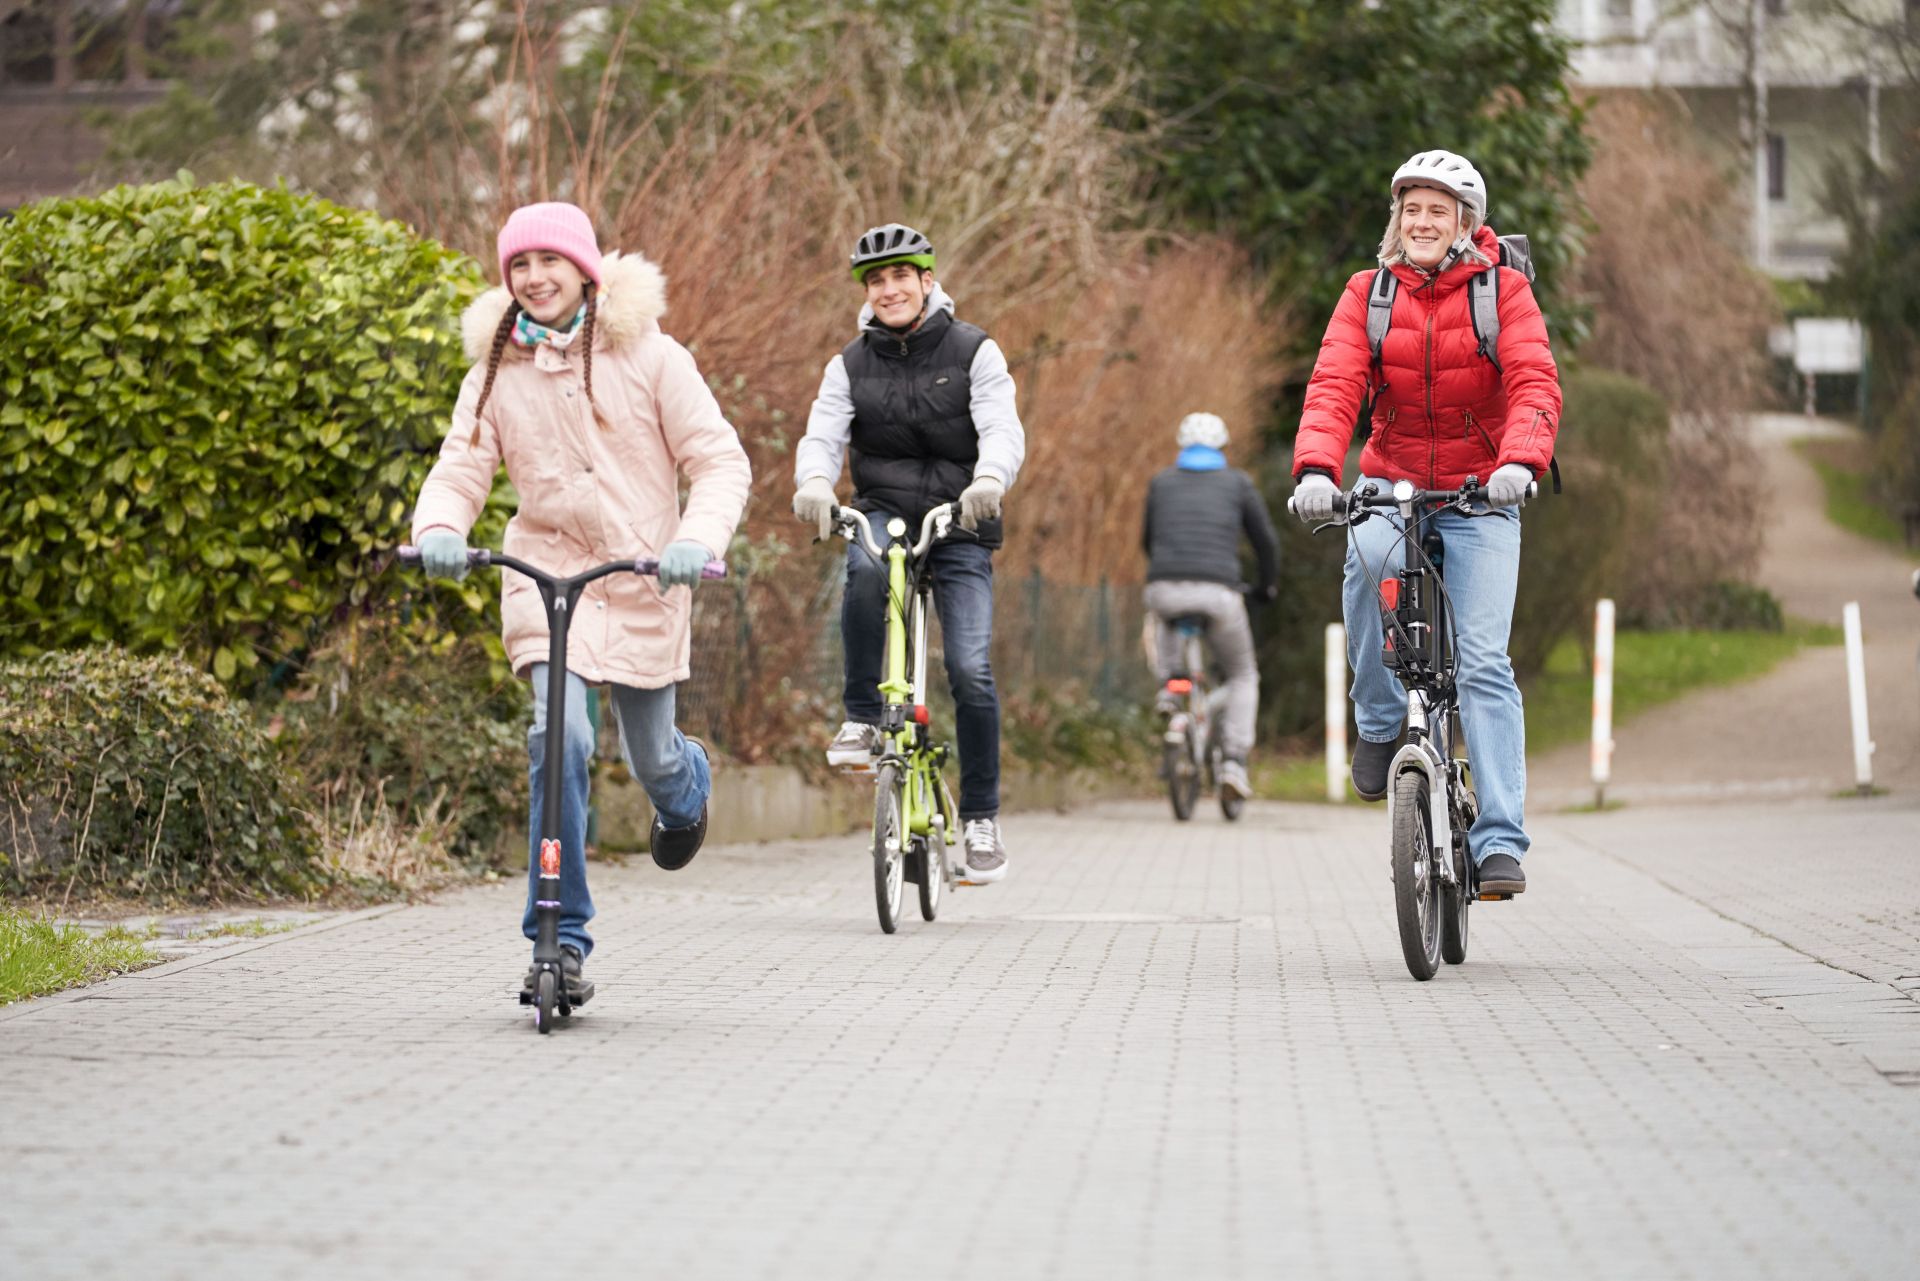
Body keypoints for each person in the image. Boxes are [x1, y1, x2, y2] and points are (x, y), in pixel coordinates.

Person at [412, 202, 751, 996]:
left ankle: (685, 787)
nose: (534, 278)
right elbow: (460, 468)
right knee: (558, 739)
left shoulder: (652, 356)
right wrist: (439, 526)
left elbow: (718, 460)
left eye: (549, 261)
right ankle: (558, 938)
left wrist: (696, 540)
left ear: (584, 269)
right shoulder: (496, 370)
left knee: (650, 757)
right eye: (519, 265)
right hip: (548, 581)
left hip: (642, 577)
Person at [1289, 150, 1561, 896]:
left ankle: (1499, 842)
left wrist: (1520, 462)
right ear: (1397, 219)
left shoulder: (1503, 292)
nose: (1422, 222)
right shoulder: (1367, 293)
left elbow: (1535, 381)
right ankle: (1380, 725)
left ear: (1465, 223)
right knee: (1365, 564)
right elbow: (1334, 383)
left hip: (1483, 493)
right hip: (1393, 483)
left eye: (1438, 211)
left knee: (1483, 663)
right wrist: (1317, 469)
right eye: (1411, 209)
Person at [791, 223, 1026, 884]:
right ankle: (863, 718)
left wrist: (989, 480)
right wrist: (814, 482)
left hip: (961, 517)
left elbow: (1001, 427)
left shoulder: (974, 350)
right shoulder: (848, 364)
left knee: (970, 667)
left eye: (901, 276)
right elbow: (822, 434)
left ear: (927, 280)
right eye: (876, 280)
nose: (888, 289)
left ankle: (980, 818)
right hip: (886, 510)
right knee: (866, 568)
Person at [1140, 412, 1279, 801]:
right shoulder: (1238, 483)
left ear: (1181, 445)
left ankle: (1171, 688)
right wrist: (1266, 586)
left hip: (1165, 586)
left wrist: (1167, 573)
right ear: (1222, 447)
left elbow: (1148, 540)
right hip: (1219, 593)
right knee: (1243, 674)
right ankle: (1234, 760)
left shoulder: (1161, 482)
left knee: (1163, 617)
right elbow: (1265, 541)